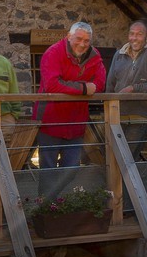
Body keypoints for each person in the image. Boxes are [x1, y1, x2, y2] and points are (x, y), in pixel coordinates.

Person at [35, 21, 106, 168]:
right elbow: (52, 85)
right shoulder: (53, 53)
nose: (82, 44)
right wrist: (84, 89)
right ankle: (48, 193)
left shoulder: (94, 55)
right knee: (48, 170)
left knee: (71, 169)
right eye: (78, 39)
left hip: (76, 123)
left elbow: (100, 82)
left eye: (86, 41)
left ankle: (64, 192)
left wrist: (75, 87)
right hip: (50, 121)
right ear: (69, 36)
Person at [105, 19, 147, 159]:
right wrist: (108, 111)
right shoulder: (118, 55)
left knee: (126, 157)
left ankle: (125, 182)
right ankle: (118, 182)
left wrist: (133, 88)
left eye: (139, 34)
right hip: (116, 115)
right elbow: (110, 85)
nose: (134, 38)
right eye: (132, 34)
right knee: (113, 156)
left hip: (139, 116)